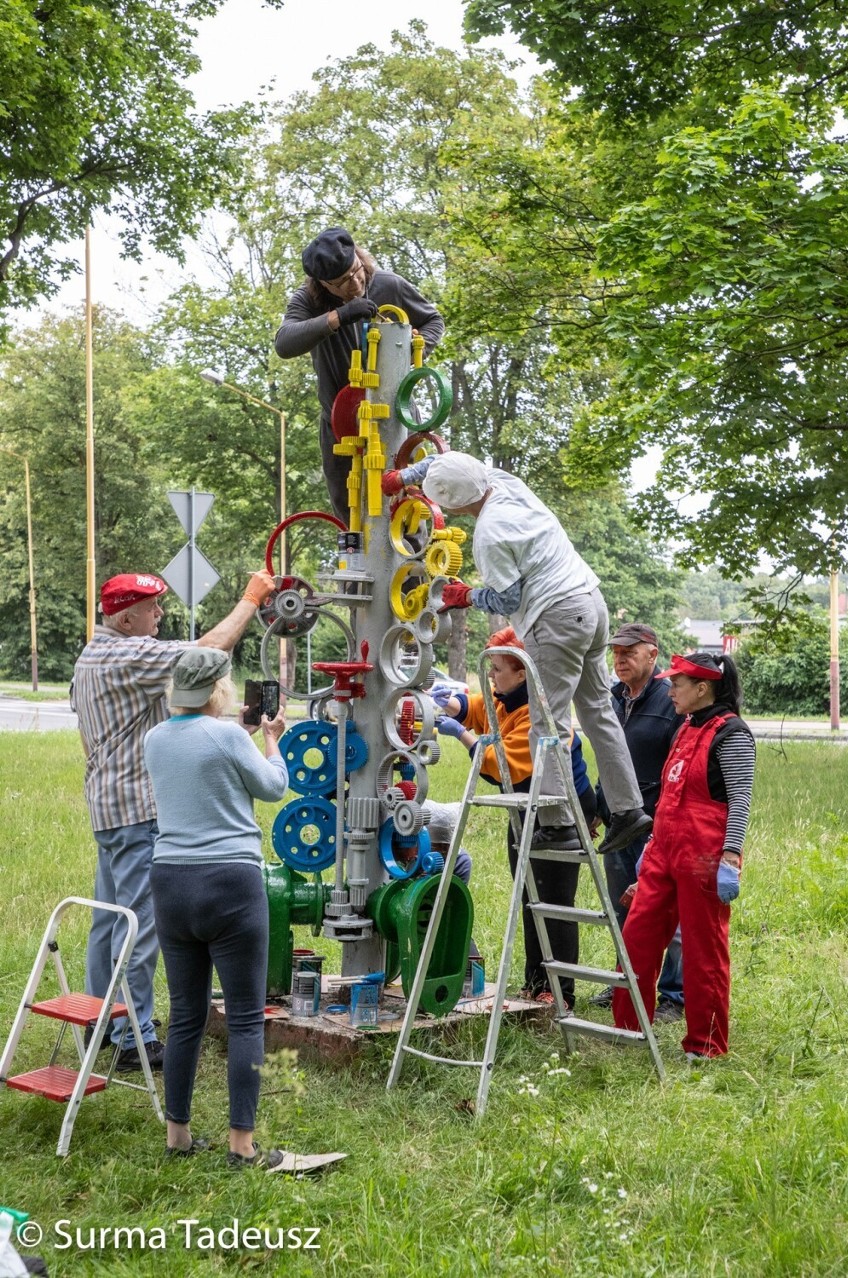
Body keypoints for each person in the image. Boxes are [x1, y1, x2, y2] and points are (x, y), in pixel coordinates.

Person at [385, 450, 649, 855]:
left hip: (555, 616)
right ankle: (628, 808)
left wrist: (465, 596)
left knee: (548, 724)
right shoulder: (504, 482)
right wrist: (403, 476)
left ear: (451, 506)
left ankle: (557, 823)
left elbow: (508, 597)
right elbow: (443, 460)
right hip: (591, 602)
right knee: (597, 710)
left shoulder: (489, 536)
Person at [71, 568, 275, 1072]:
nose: (159, 615)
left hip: (106, 805)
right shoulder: (128, 653)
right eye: (152, 609)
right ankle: (132, 1037)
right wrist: (251, 598)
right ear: (125, 616)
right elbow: (206, 656)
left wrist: (234, 733)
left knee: (107, 920)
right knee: (139, 927)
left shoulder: (88, 656)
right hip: (138, 812)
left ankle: (101, 1020)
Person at [143, 647, 289, 1165]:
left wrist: (242, 736)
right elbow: (273, 786)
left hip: (171, 882)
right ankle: (242, 1147)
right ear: (218, 691)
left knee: (185, 1015)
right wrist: (271, 741)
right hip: (230, 882)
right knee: (247, 1019)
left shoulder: (155, 739)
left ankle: (177, 1136)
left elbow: (202, 768)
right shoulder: (228, 736)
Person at [433, 627, 598, 1007]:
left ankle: (560, 994)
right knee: (528, 899)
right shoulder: (507, 697)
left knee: (553, 906)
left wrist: (460, 734)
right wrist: (452, 704)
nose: (491, 677)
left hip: (558, 817)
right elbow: (479, 707)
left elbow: (499, 766)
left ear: (523, 672)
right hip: (524, 812)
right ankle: (535, 983)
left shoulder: (541, 715)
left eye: (497, 669)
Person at [612, 652, 755, 1061]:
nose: (670, 690)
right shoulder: (685, 729)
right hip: (662, 854)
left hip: (705, 860)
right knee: (636, 939)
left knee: (702, 950)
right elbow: (670, 799)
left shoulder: (733, 734)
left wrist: (730, 858)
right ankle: (629, 1029)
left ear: (703, 688)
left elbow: (740, 801)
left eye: (678, 684)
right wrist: (650, 854)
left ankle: (705, 1045)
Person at [274, 227, 445, 522]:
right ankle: (358, 563)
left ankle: (415, 561)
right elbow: (284, 343)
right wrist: (337, 317)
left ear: (360, 259)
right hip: (342, 426)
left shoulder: (389, 285)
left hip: (397, 416)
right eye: (341, 282)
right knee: (349, 510)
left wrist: (415, 350)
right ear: (323, 284)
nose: (355, 283)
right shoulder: (308, 300)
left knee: (410, 502)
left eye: (356, 272)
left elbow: (433, 320)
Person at [592, 622, 684, 1021]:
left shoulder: (672, 702)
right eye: (616, 652)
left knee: (667, 912)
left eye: (630, 651)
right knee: (622, 908)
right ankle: (626, 983)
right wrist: (597, 807)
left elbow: (680, 767)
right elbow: (608, 762)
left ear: (653, 653)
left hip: (656, 824)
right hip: (617, 823)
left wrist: (664, 823)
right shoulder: (610, 700)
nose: (620, 658)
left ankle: (673, 996)